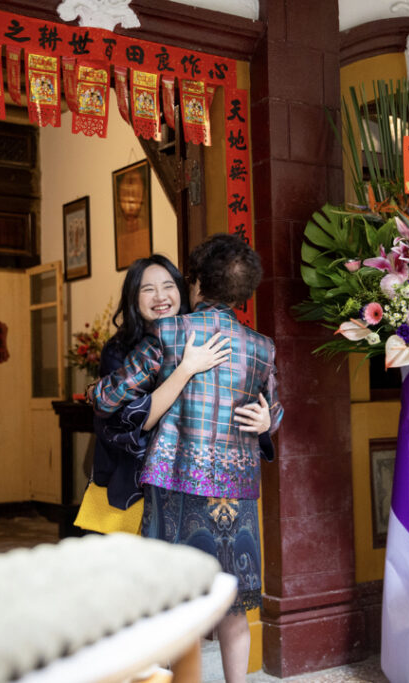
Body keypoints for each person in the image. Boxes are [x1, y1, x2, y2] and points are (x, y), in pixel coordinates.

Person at [93, 234, 283, 683]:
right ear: (243, 292)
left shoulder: (169, 333)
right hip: (236, 492)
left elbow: (106, 398)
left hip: (175, 485)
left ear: (195, 283)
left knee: (177, 605)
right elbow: (272, 410)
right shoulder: (262, 346)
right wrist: (267, 422)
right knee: (233, 605)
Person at [89, 254, 273, 521]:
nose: (160, 296)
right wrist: (185, 369)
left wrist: (264, 421)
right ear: (133, 297)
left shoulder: (202, 337)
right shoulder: (118, 350)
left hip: (197, 490)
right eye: (148, 289)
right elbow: (128, 422)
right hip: (132, 485)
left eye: (168, 286)